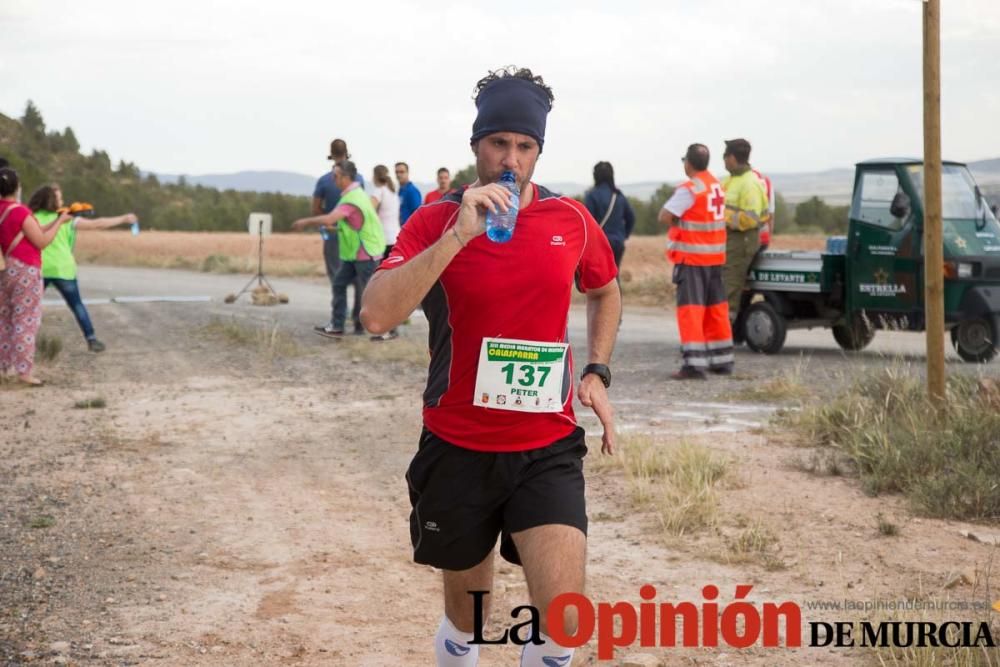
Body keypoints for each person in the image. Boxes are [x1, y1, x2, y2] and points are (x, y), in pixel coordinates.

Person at [361, 66, 620, 667]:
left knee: (562, 624)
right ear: (476, 145)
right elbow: (376, 315)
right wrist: (457, 235)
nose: (511, 158)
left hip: (546, 444)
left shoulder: (571, 220)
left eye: (524, 146)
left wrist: (597, 371)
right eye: (498, 143)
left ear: (538, 152)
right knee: (468, 619)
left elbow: (605, 289)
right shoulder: (433, 220)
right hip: (459, 444)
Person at [28, 184, 137, 352]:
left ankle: (25, 341)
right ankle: (91, 339)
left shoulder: (31, 217)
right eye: (60, 198)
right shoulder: (67, 218)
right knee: (77, 305)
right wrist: (123, 219)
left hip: (39, 268)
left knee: (30, 307)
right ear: (52, 200)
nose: (63, 201)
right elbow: (98, 224)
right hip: (63, 269)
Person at [658, 144, 734, 379]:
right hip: (714, 258)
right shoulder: (716, 185)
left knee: (691, 311)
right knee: (716, 310)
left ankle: (694, 364)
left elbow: (664, 216)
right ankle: (722, 359)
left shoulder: (690, 189)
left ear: (688, 163)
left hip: (692, 259)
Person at [292, 160, 385, 337]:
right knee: (339, 284)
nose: (333, 178)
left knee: (371, 293)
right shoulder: (356, 193)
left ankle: (384, 329)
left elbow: (330, 218)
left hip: (365, 252)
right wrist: (335, 229)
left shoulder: (351, 198)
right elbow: (353, 223)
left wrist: (305, 222)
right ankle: (337, 326)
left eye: (336, 175)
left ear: (345, 177)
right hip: (355, 254)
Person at [0, 168, 71, 385]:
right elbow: (41, 240)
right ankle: (24, 372)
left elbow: (34, 230)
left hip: (4, 268)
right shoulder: (20, 211)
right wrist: (59, 223)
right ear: (17, 187)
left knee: (4, 319)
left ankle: (4, 368)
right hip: (25, 269)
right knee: (25, 319)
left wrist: (54, 221)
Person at [310, 139, 367, 336]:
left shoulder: (325, 180)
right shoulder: (358, 178)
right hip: (357, 235)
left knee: (337, 279)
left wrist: (329, 222)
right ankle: (359, 322)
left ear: (331, 154)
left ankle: (338, 322)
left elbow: (316, 207)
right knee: (359, 280)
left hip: (334, 235)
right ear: (347, 153)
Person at [720, 138, 768, 333]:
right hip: (730, 240)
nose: (723, 160)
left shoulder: (750, 183)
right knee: (724, 282)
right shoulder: (731, 180)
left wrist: (722, 217)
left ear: (731, 158)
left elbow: (752, 218)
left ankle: (724, 332)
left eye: (724, 156)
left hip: (742, 240)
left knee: (730, 286)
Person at [584, 161, 636, 280]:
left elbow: (587, 222)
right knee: (614, 277)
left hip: (600, 243)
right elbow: (631, 217)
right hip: (618, 242)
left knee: (600, 281)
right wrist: (624, 235)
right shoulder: (618, 195)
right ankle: (617, 299)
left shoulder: (592, 195)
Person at [369, 165, 400, 341]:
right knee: (392, 285)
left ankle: (386, 329)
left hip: (383, 241)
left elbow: (367, 211)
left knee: (382, 286)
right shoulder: (392, 191)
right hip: (395, 238)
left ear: (375, 176)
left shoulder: (379, 190)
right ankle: (392, 327)